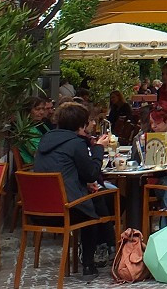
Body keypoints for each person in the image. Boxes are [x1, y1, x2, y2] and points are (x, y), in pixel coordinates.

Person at [33, 102, 116, 280]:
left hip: (38, 210)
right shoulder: (75, 144)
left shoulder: (45, 141)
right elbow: (91, 173)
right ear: (81, 125)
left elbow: (60, 172)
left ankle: (109, 246)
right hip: (65, 209)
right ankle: (90, 263)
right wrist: (99, 149)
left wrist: (84, 185)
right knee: (94, 211)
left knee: (97, 200)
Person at [18, 96, 55, 165]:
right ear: (27, 111)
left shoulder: (41, 124)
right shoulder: (25, 129)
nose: (41, 112)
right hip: (33, 167)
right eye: (37, 109)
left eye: (43, 109)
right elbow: (38, 152)